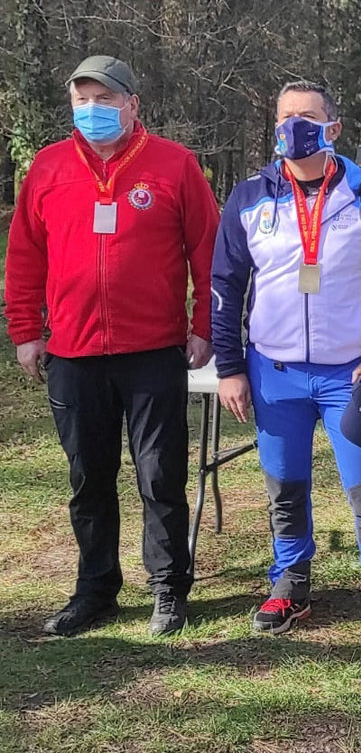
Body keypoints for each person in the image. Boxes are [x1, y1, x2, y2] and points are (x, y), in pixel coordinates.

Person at [5, 55, 220, 637]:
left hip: (153, 349)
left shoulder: (174, 166)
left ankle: (169, 587)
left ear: (132, 105)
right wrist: (26, 329)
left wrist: (205, 325)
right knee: (88, 478)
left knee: (160, 474)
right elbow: (25, 256)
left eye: (104, 99)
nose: (92, 110)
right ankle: (95, 588)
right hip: (72, 354)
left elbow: (208, 252)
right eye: (82, 100)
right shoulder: (48, 169)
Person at [211, 81, 361, 650]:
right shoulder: (249, 196)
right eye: (284, 117)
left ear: (334, 128)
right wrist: (230, 366)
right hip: (273, 372)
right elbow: (225, 285)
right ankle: (291, 584)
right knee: (284, 487)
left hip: (349, 373)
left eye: (307, 117)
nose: (293, 127)